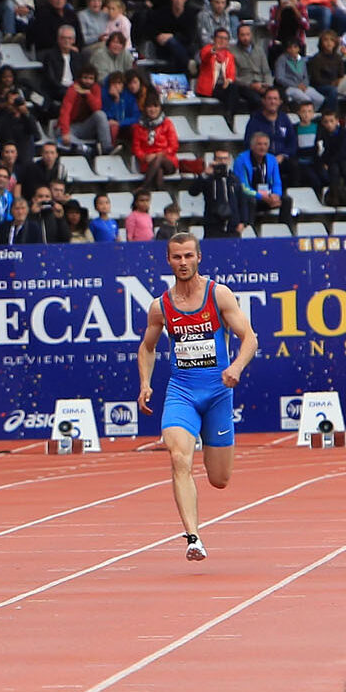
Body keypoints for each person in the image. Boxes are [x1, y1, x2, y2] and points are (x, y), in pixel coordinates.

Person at [135, 233, 259, 562]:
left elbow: (250, 338)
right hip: (181, 393)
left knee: (219, 479)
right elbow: (147, 347)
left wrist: (236, 367)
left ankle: (206, 441)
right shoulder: (160, 306)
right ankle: (193, 537)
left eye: (188, 256)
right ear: (168, 260)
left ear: (199, 257)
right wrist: (145, 382)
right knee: (178, 458)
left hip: (218, 394)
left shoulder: (218, 295)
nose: (183, 263)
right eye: (177, 257)